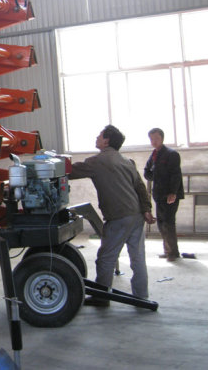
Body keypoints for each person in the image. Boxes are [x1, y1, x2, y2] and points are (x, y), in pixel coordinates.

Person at [70, 125, 155, 305]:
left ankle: (101, 298)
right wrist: (147, 209)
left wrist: (49, 163)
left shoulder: (98, 161)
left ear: (106, 141)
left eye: (100, 135)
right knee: (138, 258)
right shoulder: (127, 161)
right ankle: (141, 295)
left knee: (106, 259)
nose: (97, 137)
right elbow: (140, 187)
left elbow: (70, 171)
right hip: (136, 215)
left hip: (119, 217)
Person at [144, 127, 184, 262]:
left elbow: (176, 175)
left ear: (162, 138)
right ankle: (168, 251)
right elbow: (147, 172)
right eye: (151, 139)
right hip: (159, 194)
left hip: (170, 195)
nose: (154, 141)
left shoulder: (172, 154)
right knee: (161, 223)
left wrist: (173, 192)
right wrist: (154, 175)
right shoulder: (154, 154)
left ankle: (172, 253)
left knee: (168, 223)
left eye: (156, 138)